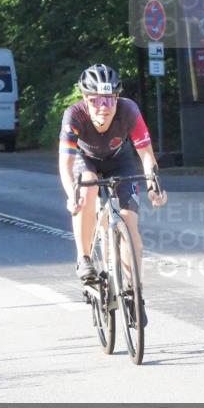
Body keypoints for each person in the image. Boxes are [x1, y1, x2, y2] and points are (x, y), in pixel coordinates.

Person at [59, 64, 167, 284]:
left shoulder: (129, 111)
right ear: (85, 98)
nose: (103, 107)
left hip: (119, 160)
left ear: (117, 97)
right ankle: (84, 258)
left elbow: (146, 154)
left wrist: (154, 187)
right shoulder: (74, 115)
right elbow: (65, 164)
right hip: (85, 159)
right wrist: (72, 195)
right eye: (95, 100)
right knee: (87, 186)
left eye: (109, 99)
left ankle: (133, 288)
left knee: (129, 222)